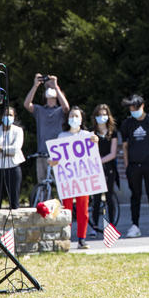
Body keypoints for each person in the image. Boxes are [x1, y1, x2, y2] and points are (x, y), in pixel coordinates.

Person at [52, 106, 96, 249]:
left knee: (83, 210)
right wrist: (53, 161)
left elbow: (93, 154)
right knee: (67, 209)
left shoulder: (86, 135)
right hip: (68, 179)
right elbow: (57, 158)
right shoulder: (62, 136)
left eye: (77, 116)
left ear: (82, 119)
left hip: (82, 178)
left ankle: (82, 239)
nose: (74, 119)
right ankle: (67, 238)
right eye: (71, 116)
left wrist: (95, 141)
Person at [121, 94, 149, 238]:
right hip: (133, 165)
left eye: (135, 108)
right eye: (131, 108)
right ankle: (135, 225)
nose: (133, 111)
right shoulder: (127, 124)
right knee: (135, 196)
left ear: (142, 106)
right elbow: (125, 147)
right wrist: (127, 165)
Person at [23, 74, 70, 191]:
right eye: (47, 87)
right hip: (42, 154)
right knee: (42, 185)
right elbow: (26, 104)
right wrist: (35, 85)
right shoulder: (40, 110)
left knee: (61, 186)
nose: (50, 89)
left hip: (58, 154)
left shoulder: (59, 111)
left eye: (51, 88)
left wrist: (56, 86)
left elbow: (66, 108)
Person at [0, 106, 25, 210]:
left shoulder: (18, 131)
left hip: (13, 167)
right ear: (1, 117)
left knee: (14, 201)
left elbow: (15, 149)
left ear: (14, 117)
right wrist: (5, 151)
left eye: (10, 115)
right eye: (5, 115)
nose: (7, 117)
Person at [90, 104, 119, 226]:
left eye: (104, 114)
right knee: (96, 199)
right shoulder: (92, 133)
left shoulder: (113, 133)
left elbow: (113, 153)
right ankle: (95, 225)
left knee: (109, 197)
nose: (102, 117)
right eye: (99, 115)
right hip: (95, 169)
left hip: (109, 168)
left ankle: (111, 224)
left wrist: (100, 160)